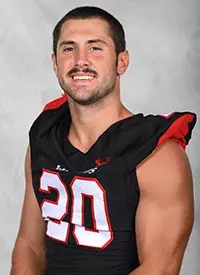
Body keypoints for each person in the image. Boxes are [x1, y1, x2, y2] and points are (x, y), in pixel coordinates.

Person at [10, 6, 196, 275]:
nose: (80, 60)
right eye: (69, 48)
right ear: (54, 63)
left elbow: (160, 269)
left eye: (95, 48)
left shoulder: (157, 154)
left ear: (121, 62)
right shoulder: (44, 139)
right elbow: (29, 246)